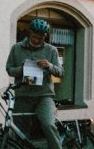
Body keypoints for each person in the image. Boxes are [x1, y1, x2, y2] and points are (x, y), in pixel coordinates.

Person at [6, 18, 63, 149]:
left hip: (44, 95)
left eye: (41, 38)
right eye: (34, 37)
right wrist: (22, 68)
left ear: (45, 36)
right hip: (23, 96)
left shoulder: (51, 50)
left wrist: (49, 66)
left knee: (48, 125)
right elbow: (9, 69)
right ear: (29, 32)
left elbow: (60, 72)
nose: (37, 40)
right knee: (20, 132)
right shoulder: (16, 48)